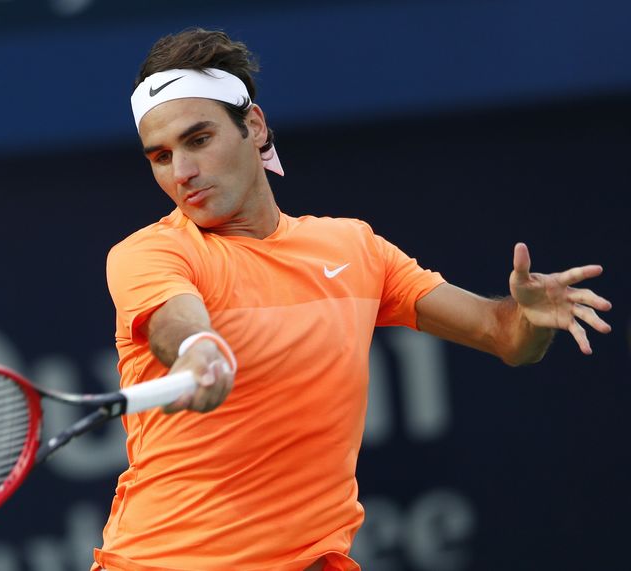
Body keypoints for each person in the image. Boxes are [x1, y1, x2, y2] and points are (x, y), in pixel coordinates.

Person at [91, 28, 612, 571]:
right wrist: (200, 351)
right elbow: (177, 323)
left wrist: (529, 319)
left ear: (254, 125)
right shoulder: (148, 253)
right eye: (160, 156)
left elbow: (504, 337)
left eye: (198, 140)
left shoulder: (353, 248)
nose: (181, 173)